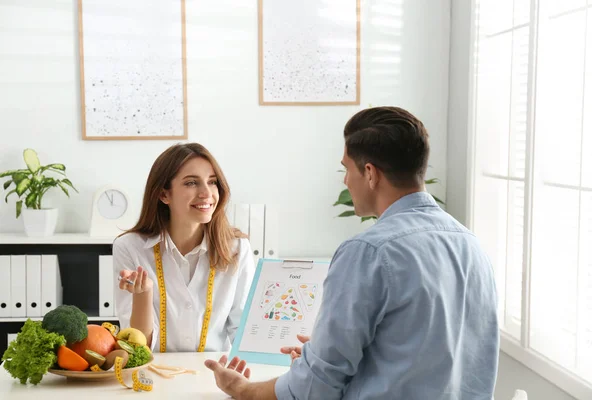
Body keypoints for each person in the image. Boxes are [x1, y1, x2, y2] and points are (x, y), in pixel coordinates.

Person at [204, 106, 500, 399]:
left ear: (370, 173)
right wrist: (321, 354)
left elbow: (315, 387)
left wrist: (243, 390)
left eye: (346, 168)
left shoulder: (368, 252)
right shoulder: (472, 246)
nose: (345, 180)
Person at [113, 143, 256, 353]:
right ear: (164, 195)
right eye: (191, 183)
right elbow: (136, 345)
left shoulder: (237, 247)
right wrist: (143, 294)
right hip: (156, 374)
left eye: (212, 182)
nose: (206, 193)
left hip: (214, 375)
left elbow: (242, 330)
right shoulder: (129, 247)